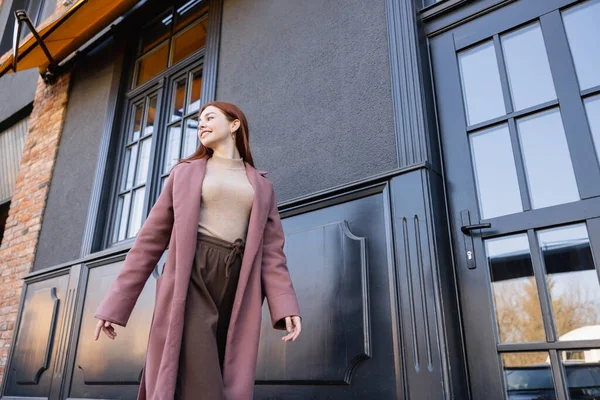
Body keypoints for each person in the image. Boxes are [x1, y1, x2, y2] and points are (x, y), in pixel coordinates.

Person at [93, 101, 302, 400]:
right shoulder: (185, 173)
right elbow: (149, 242)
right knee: (200, 378)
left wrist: (286, 306)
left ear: (234, 125)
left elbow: (272, 253)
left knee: (222, 369)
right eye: (199, 119)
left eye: (210, 117)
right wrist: (114, 305)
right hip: (191, 278)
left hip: (237, 283)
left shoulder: (262, 185)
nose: (201, 123)